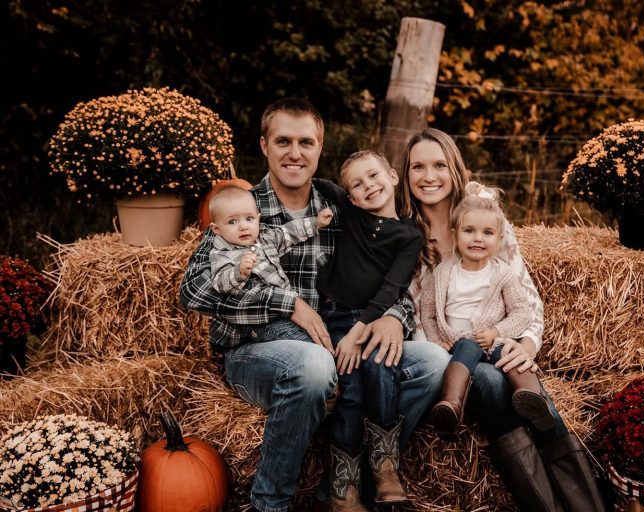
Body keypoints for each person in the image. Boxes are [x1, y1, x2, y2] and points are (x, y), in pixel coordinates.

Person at [180, 98, 447, 512]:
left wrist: (395, 316)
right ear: (265, 146)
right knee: (314, 366)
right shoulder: (240, 209)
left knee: (431, 362)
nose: (295, 152)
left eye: (306, 142)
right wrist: (286, 304)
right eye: (283, 141)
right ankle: (272, 504)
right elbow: (194, 292)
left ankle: (349, 476)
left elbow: (392, 278)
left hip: (341, 339)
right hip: (258, 350)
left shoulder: (340, 207)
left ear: (320, 148)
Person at [398, 127, 605, 512]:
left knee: (523, 387)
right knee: (492, 383)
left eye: (439, 165)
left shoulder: (487, 221)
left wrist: (525, 345)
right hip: (447, 361)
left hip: (498, 343)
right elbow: (413, 316)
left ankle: (588, 507)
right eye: (417, 167)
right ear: (405, 174)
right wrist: (443, 352)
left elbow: (527, 301)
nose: (429, 176)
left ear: (454, 168)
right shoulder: (405, 236)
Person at [314, 150, 424, 509]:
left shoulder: (410, 235)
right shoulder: (352, 216)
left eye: (374, 176)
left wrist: (359, 332)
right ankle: (343, 489)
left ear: (393, 176)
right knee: (350, 390)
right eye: (357, 185)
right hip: (335, 317)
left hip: (374, 319)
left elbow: (392, 288)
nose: (368, 186)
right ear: (353, 198)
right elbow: (323, 184)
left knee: (381, 367)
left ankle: (385, 466)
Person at [420, 181, 557, 434]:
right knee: (465, 349)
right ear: (455, 234)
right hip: (459, 344)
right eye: (469, 231)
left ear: (500, 237)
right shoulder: (441, 274)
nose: (477, 239)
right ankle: (451, 404)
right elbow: (427, 313)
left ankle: (529, 394)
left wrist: (496, 332)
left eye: (487, 233)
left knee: (508, 355)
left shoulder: (502, 273)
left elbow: (522, 312)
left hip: (493, 342)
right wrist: (436, 340)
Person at [207, 185, 334, 343]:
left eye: (249, 218)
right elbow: (219, 282)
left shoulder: (266, 238)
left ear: (258, 218)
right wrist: (238, 272)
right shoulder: (222, 253)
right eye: (232, 221)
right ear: (216, 229)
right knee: (303, 341)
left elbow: (289, 233)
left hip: (282, 314)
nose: (243, 226)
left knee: (315, 336)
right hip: (255, 323)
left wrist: (316, 223)